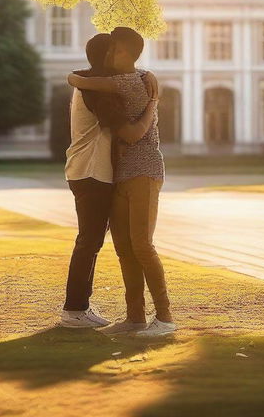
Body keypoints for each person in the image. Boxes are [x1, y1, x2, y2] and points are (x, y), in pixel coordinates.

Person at [67, 27, 176, 337]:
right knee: (124, 249)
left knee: (141, 245)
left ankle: (165, 318)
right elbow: (83, 80)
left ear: (126, 53)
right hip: (117, 173)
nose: (111, 56)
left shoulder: (127, 83)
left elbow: (83, 81)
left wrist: (73, 78)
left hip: (143, 170)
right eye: (109, 51)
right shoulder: (132, 79)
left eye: (115, 51)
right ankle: (135, 318)